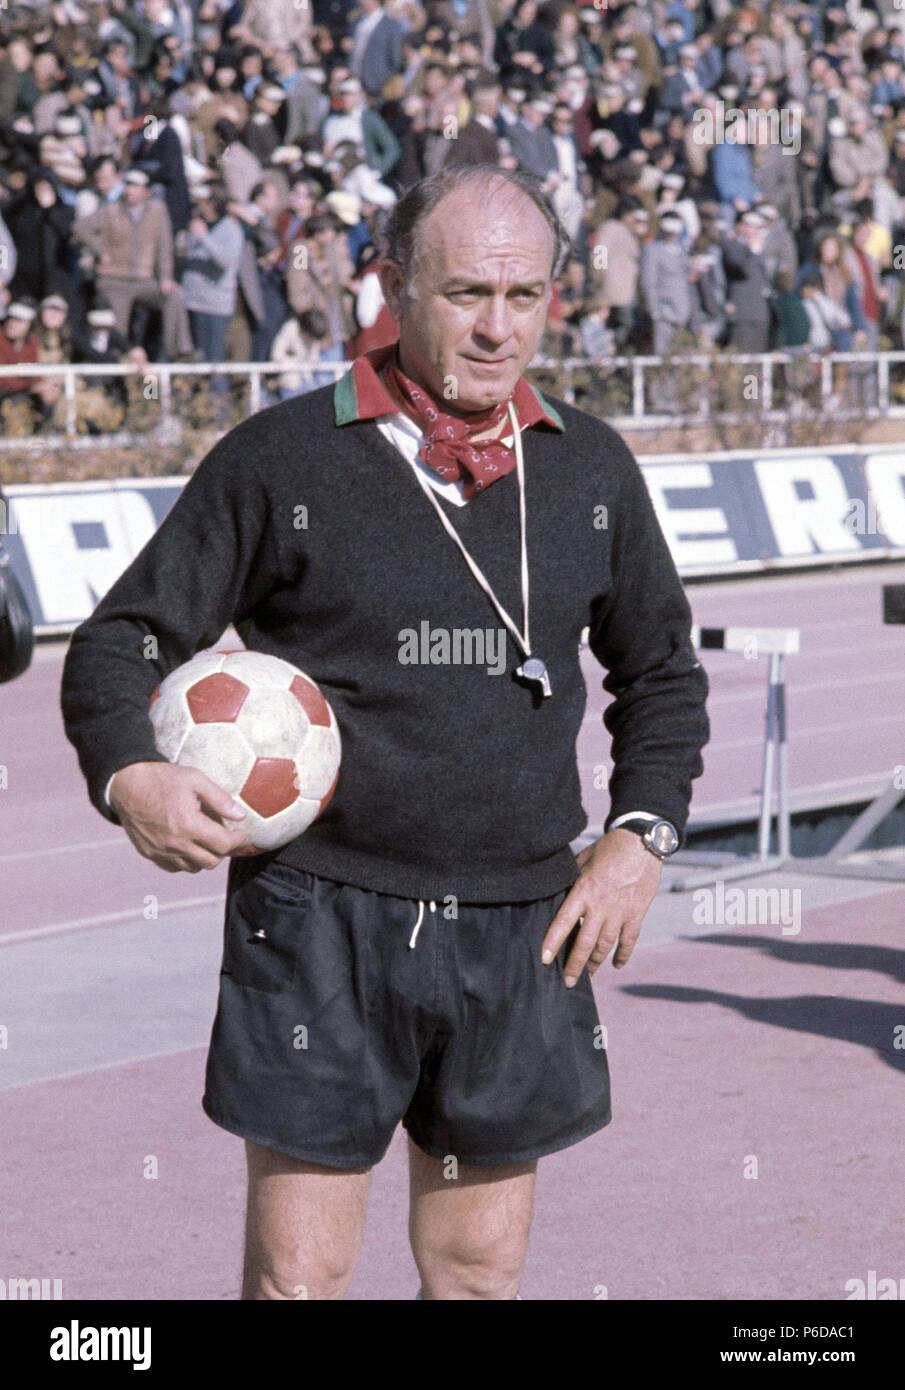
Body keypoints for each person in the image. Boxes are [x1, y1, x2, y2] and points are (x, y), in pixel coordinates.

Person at [60, 165, 709, 1301]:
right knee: (298, 1280)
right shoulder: (282, 459)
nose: (498, 326)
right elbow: (120, 641)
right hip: (321, 916)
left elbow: (659, 672)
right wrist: (132, 775)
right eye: (465, 292)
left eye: (525, 294)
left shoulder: (591, 466)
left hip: (523, 919)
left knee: (473, 1276)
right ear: (395, 285)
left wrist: (640, 833)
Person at [73, 168, 194, 360]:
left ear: (146, 191)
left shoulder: (157, 211)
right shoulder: (111, 210)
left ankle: (179, 353)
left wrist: (165, 278)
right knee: (115, 322)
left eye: (135, 186)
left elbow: (164, 246)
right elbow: (81, 228)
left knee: (174, 297)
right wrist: (100, 251)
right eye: (128, 185)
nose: (130, 190)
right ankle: (115, 364)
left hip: (144, 279)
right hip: (114, 279)